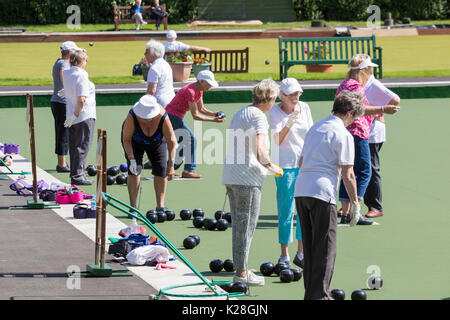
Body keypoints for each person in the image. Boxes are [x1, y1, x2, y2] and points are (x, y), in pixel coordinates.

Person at [294, 90, 366, 300]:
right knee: (326, 248)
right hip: (322, 194)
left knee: (310, 247)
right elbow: (349, 173)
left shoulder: (316, 127)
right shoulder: (343, 134)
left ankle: (312, 294)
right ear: (350, 112)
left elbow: (301, 162)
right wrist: (355, 204)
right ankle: (321, 296)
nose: (354, 122)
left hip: (302, 191)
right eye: (355, 117)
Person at [222, 78, 283, 286]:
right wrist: (271, 166)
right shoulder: (259, 116)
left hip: (232, 175)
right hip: (247, 178)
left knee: (240, 226)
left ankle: (242, 268)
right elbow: (259, 149)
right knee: (245, 226)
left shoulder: (241, 112)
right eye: (275, 99)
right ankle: (241, 273)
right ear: (271, 98)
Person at [336, 54, 400, 225]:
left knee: (348, 171)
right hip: (357, 133)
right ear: (363, 71)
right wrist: (382, 109)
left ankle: (346, 214)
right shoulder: (357, 86)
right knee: (364, 172)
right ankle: (355, 211)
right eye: (369, 69)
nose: (371, 72)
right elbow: (359, 110)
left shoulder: (345, 84)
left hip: (347, 131)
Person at [269, 78, 313, 269]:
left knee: (304, 210)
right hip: (283, 167)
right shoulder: (274, 112)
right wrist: (291, 121)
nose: (296, 97)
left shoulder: (305, 106)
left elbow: (310, 134)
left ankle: (301, 253)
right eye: (292, 94)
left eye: (298, 93)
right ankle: (284, 255)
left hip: (304, 166)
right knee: (286, 211)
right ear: (283, 96)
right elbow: (277, 140)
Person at [165, 70, 225, 178]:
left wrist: (215, 114)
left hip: (175, 117)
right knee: (191, 139)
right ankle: (187, 170)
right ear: (201, 81)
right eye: (209, 83)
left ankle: (170, 166)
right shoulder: (190, 91)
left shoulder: (200, 91)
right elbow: (195, 115)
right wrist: (213, 120)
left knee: (184, 140)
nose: (210, 86)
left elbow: (201, 109)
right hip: (171, 116)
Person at [121, 95, 176, 211]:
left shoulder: (163, 117)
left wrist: (171, 165)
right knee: (134, 170)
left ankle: (160, 206)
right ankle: (133, 207)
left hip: (157, 142)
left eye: (147, 117)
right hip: (134, 142)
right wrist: (131, 160)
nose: (144, 119)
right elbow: (126, 139)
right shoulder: (132, 116)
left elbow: (172, 141)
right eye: (142, 117)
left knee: (161, 169)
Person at [363, 75, 400, 218]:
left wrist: (380, 110)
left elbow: (395, 99)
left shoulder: (373, 84)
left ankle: (375, 206)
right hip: (359, 130)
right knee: (353, 166)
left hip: (372, 132)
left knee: (371, 167)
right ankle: (349, 204)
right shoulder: (355, 83)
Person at [63, 49, 96, 186]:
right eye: (86, 60)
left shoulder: (67, 73)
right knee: (82, 146)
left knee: (74, 146)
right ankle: (78, 176)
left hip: (71, 114)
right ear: (82, 61)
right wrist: (77, 114)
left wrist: (80, 53)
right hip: (83, 114)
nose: (87, 62)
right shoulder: (82, 75)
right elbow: (82, 99)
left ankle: (76, 174)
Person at [51, 41, 83, 173]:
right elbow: (65, 81)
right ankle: (62, 164)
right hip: (61, 103)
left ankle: (63, 162)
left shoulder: (61, 62)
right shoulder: (63, 64)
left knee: (64, 132)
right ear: (69, 52)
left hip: (60, 102)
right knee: (63, 133)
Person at [144, 39, 174, 108]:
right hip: (171, 100)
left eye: (147, 52)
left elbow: (151, 91)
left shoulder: (154, 68)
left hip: (160, 104)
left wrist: (143, 104)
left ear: (153, 54)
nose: (144, 54)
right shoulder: (166, 64)